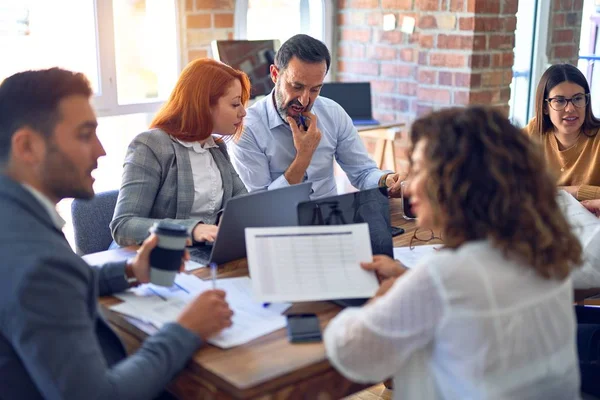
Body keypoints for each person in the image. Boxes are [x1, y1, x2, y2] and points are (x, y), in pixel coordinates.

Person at [0, 68, 233, 399]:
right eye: (85, 135)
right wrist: (186, 329)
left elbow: (60, 285)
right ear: (27, 146)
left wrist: (131, 270)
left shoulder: (15, 214)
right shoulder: (36, 260)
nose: (101, 150)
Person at [324, 106, 582, 399]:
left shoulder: (444, 276)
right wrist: (411, 281)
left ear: (460, 184)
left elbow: (350, 353)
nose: (410, 184)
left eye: (421, 170)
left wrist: (385, 296)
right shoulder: (545, 249)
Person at [229, 34, 404, 200]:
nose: (305, 100)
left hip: (331, 220)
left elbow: (363, 172)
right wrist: (303, 156)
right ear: (275, 75)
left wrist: (385, 181)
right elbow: (260, 205)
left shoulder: (333, 113)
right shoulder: (246, 129)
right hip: (279, 226)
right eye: (296, 86)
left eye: (315, 89)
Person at [111, 59, 249, 246]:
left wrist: (228, 218)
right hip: (156, 259)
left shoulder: (215, 147)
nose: (243, 112)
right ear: (204, 105)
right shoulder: (150, 145)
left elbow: (243, 200)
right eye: (235, 104)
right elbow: (124, 225)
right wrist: (192, 230)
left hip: (203, 255)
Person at [524, 63, 600, 201]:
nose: (570, 108)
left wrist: (575, 191)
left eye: (578, 98)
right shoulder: (534, 132)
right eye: (560, 100)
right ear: (545, 107)